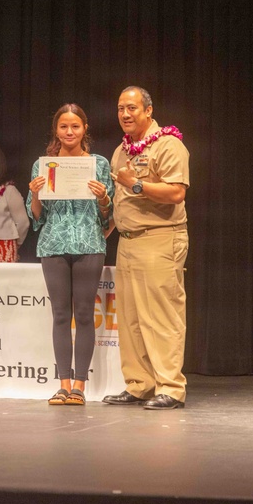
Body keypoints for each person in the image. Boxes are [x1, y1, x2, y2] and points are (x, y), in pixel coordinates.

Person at [102, 86, 190, 410]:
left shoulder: (168, 145)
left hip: (160, 238)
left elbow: (176, 192)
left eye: (132, 108)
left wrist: (134, 183)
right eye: (120, 109)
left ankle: (170, 387)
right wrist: (105, 225)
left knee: (162, 317)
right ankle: (140, 384)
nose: (125, 114)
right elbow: (120, 201)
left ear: (148, 111)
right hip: (127, 241)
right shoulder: (120, 151)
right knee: (131, 318)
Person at [26, 104, 114, 407]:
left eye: (75, 126)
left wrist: (104, 197)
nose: (69, 132)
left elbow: (109, 214)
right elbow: (36, 216)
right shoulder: (44, 166)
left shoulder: (99, 164)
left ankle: (80, 385)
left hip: (89, 244)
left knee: (85, 315)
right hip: (53, 245)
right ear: (56, 130)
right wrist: (36, 193)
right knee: (61, 315)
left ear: (84, 129)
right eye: (64, 126)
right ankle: (63, 383)